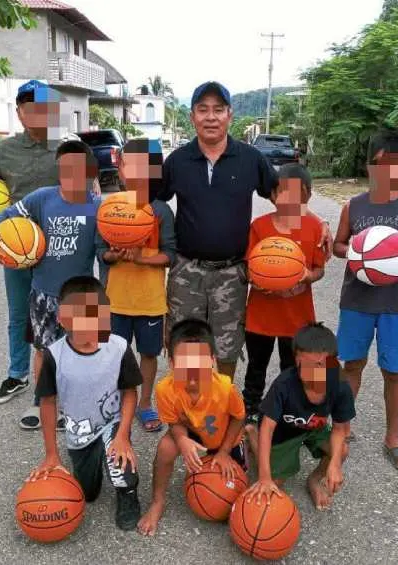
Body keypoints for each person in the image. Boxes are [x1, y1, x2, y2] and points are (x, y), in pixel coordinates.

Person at [157, 81, 334, 380]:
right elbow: (153, 203)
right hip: (186, 270)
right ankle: (185, 405)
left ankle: (223, 401)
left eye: (218, 110)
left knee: (227, 348)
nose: (210, 117)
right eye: (203, 110)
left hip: (232, 272)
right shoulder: (177, 161)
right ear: (192, 116)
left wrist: (320, 223)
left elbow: (286, 196)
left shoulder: (251, 159)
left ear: (230, 115)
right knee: (183, 344)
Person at [0, 81, 99, 405]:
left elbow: (90, 183)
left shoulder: (64, 146)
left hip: (60, 245)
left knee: (68, 312)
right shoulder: (4, 150)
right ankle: (17, 374)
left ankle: (68, 374)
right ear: (19, 113)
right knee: (19, 314)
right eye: (29, 108)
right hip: (16, 244)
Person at [332, 129, 398, 472]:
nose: (386, 171)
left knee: (394, 371)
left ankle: (392, 437)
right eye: (379, 164)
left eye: (395, 164)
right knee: (352, 365)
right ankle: (343, 427)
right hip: (357, 301)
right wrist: (359, 253)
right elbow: (338, 246)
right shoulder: (353, 206)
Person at [0, 140, 101, 430]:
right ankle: (41, 401)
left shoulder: (97, 207)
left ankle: (72, 404)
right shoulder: (42, 198)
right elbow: (6, 216)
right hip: (43, 294)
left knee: (80, 352)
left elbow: (104, 251)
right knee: (43, 351)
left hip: (80, 296)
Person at [25, 276, 142, 531]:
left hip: (112, 423)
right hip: (79, 431)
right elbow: (48, 402)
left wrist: (123, 434)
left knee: (120, 465)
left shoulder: (119, 347)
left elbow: (130, 392)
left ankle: (128, 492)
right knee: (87, 493)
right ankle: (93, 459)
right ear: (62, 318)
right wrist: (51, 454)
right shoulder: (54, 355)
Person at [136, 319, 246, 536]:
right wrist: (182, 440)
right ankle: (158, 501)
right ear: (172, 363)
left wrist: (224, 452)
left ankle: (249, 438)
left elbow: (238, 417)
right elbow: (174, 422)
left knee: (236, 487)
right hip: (193, 432)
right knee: (166, 447)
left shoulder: (225, 388)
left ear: (212, 360)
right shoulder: (165, 389)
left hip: (224, 436)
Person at [96, 138, 176, 433]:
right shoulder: (109, 208)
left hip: (150, 301)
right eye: (130, 166)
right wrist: (113, 255)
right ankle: (117, 401)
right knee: (115, 354)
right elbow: (100, 252)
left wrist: (142, 258)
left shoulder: (160, 211)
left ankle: (144, 403)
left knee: (149, 354)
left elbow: (170, 255)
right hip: (115, 300)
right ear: (120, 169)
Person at [242, 163, 327, 430]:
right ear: (272, 195)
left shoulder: (314, 227)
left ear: (307, 196)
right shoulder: (259, 226)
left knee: (292, 368)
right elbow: (248, 266)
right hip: (261, 317)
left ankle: (289, 411)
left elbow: (319, 269)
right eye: (282, 192)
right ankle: (251, 409)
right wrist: (258, 279)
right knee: (256, 365)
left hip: (296, 318)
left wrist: (307, 276)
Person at [244, 323, 353, 511]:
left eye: (320, 365)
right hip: (282, 432)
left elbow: (340, 429)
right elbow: (268, 428)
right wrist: (264, 478)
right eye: (307, 366)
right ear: (297, 361)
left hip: (312, 426)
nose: (314, 373)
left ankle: (315, 479)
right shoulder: (284, 384)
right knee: (273, 484)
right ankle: (251, 433)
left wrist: (335, 464)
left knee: (341, 450)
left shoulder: (340, 385)